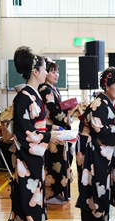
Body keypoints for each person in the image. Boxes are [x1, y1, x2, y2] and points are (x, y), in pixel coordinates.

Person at [10, 46, 62, 221]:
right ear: (35, 71)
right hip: (26, 158)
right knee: (28, 200)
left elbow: (36, 127)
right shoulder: (24, 97)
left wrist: (51, 130)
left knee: (35, 199)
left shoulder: (33, 94)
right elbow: (27, 132)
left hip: (35, 156)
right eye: (44, 69)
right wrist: (49, 136)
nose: (47, 73)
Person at [76, 67, 115, 221]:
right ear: (106, 86)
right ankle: (95, 220)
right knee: (95, 182)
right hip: (91, 148)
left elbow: (112, 129)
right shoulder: (99, 103)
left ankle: (95, 219)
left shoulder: (113, 103)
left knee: (101, 183)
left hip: (101, 148)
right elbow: (99, 130)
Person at [38, 59, 73, 204]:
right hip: (51, 129)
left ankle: (59, 191)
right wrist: (67, 116)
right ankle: (52, 193)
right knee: (54, 163)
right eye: (53, 71)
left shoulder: (54, 89)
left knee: (61, 160)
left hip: (58, 128)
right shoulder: (44, 89)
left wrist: (69, 111)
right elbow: (53, 112)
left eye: (57, 72)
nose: (56, 75)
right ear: (45, 73)